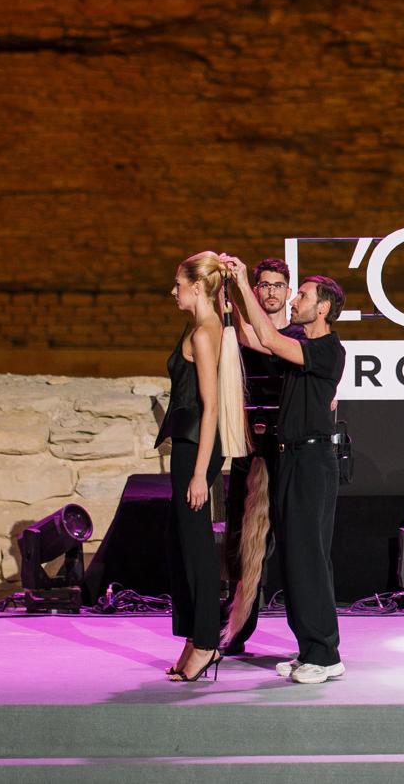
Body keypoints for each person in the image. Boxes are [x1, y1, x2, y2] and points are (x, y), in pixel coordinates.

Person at [222, 254, 348, 684]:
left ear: (323, 308)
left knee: (308, 558)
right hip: (291, 457)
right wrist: (231, 292)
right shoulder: (301, 348)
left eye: (302, 296)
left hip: (312, 461)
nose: (293, 301)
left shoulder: (327, 350)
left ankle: (324, 655)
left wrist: (244, 281)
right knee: (295, 559)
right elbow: (254, 337)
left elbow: (268, 338)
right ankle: (310, 650)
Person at [156, 251, 248, 682]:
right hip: (191, 444)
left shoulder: (204, 334)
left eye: (178, 284)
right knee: (180, 543)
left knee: (194, 547)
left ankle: (207, 642)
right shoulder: (202, 326)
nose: (172, 291)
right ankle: (195, 637)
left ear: (197, 286)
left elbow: (211, 407)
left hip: (196, 447)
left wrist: (198, 474)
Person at [221, 258, 305, 655]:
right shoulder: (243, 334)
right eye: (264, 285)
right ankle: (236, 630)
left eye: (278, 285)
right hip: (249, 447)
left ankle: (308, 639)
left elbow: (263, 340)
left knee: (287, 544)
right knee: (241, 542)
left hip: (286, 451)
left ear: (288, 291)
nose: (271, 291)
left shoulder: (297, 336)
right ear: (257, 290)